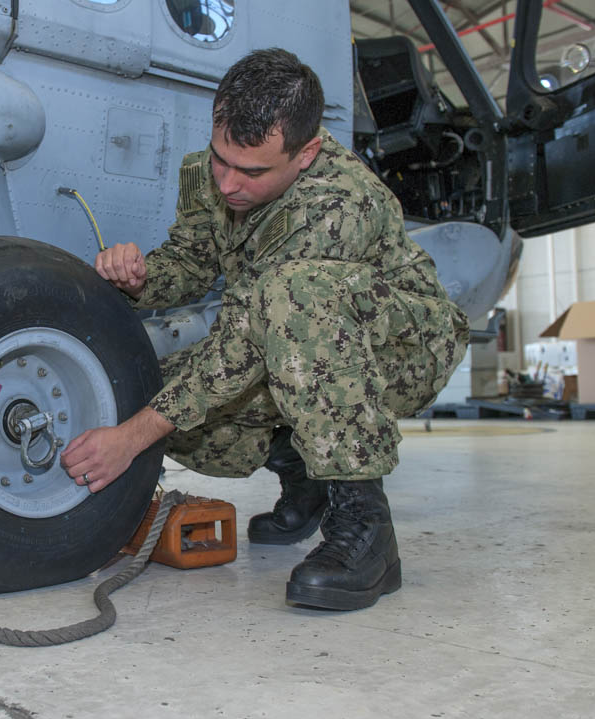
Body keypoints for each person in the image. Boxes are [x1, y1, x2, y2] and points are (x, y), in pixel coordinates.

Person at [60, 48, 469, 611]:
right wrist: (139, 278)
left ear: (306, 154)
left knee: (292, 300)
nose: (227, 183)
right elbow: (192, 263)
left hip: (403, 349)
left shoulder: (339, 203)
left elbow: (252, 341)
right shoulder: (215, 174)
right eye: (221, 159)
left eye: (251, 172)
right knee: (144, 388)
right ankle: (304, 473)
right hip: (297, 343)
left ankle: (367, 529)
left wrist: (132, 437)